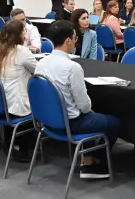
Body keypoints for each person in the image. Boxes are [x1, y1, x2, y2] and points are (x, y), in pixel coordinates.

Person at [35, 21, 121, 179]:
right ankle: (95, 162)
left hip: (47, 121)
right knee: (114, 122)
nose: (76, 41)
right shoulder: (72, 67)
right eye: (75, 38)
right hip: (71, 123)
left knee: (90, 115)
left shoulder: (41, 63)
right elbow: (84, 106)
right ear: (68, 40)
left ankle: (88, 157)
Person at [0, 19, 38, 118]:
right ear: (17, 35)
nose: (25, 34)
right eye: (23, 31)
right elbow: (39, 71)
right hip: (15, 107)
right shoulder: (21, 51)